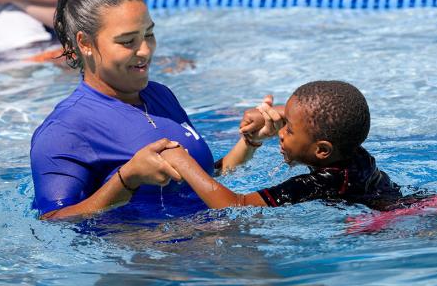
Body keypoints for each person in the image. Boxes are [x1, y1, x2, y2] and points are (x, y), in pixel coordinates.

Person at [30, 0, 249, 220]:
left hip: (207, 240)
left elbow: (198, 180)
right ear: (85, 43)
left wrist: (249, 143)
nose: (145, 51)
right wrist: (126, 180)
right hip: (150, 254)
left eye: (148, 34)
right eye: (127, 41)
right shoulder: (65, 128)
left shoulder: (160, 96)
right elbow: (52, 221)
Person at [160, 80, 406, 210]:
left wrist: (184, 162)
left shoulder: (319, 183)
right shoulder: (349, 147)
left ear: (321, 150)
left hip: (393, 223)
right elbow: (313, 119)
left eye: (288, 128)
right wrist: (268, 117)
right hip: (405, 202)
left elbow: (236, 205)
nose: (280, 132)